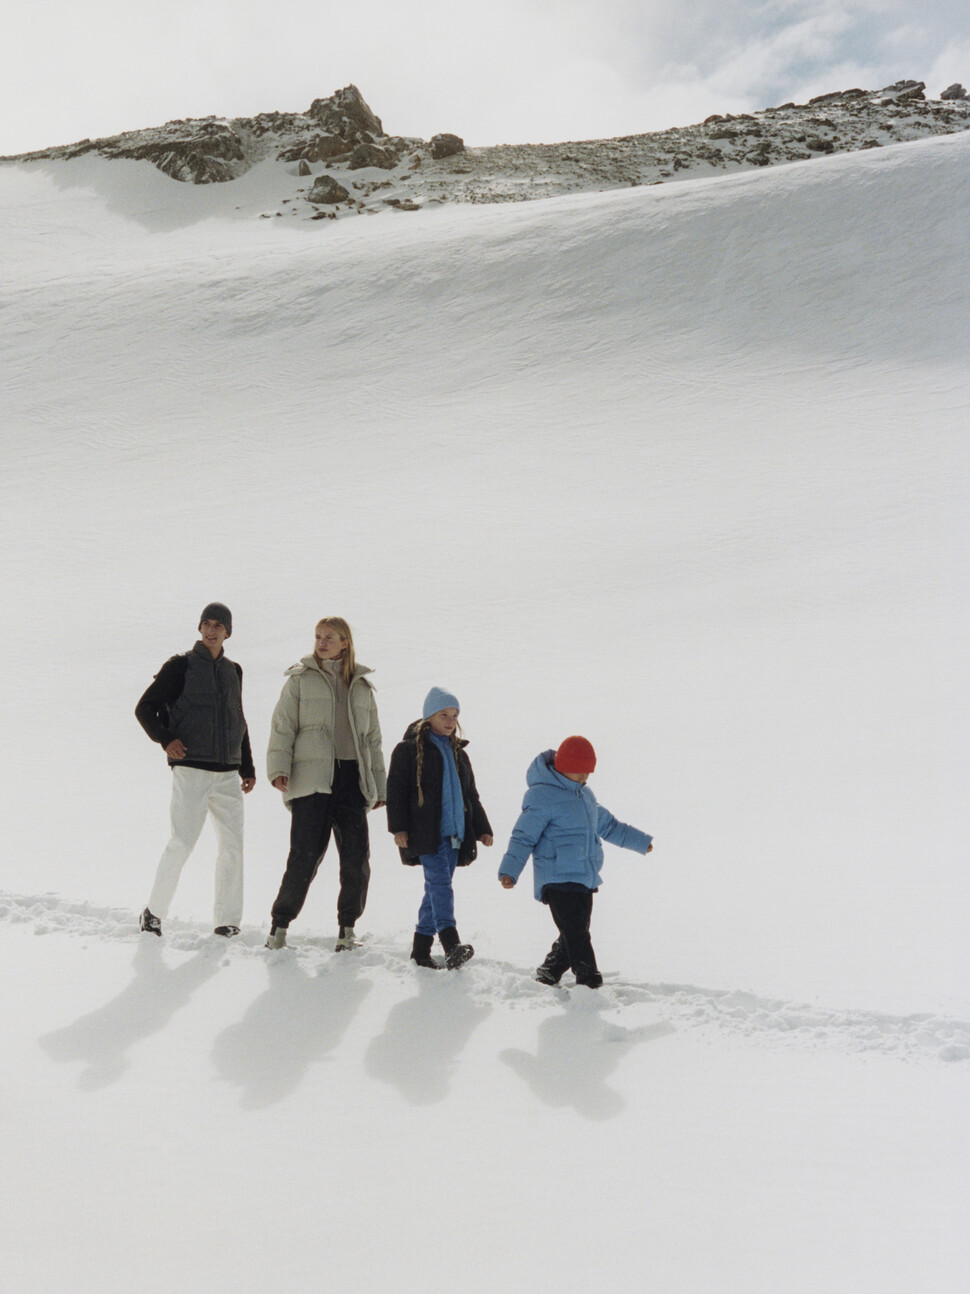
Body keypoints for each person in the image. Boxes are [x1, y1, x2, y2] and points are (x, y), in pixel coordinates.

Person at [265, 617, 386, 951]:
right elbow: (283, 725)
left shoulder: (361, 684)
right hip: (311, 782)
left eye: (329, 637)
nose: (321, 642)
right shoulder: (300, 679)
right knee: (303, 857)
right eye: (318, 637)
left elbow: (372, 740)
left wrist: (379, 785)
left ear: (345, 642)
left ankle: (347, 930)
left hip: (351, 781)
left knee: (356, 859)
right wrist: (278, 767)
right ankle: (279, 928)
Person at [135, 602, 256, 938]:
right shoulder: (181, 666)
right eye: (207, 623)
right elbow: (145, 707)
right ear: (200, 628)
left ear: (228, 632)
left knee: (233, 846)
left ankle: (227, 921)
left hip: (228, 774)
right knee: (183, 842)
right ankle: (153, 913)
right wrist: (166, 739)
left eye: (219, 625)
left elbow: (238, 720)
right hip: (191, 769)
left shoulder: (235, 671)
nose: (211, 630)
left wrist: (246, 766)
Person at [498, 736, 653, 988]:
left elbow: (610, 826)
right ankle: (588, 978)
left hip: (583, 876)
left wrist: (640, 842)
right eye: (579, 771)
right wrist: (509, 872)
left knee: (575, 929)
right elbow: (523, 837)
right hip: (556, 877)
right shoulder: (542, 796)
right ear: (562, 765)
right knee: (576, 931)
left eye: (588, 772)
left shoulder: (586, 796)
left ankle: (549, 971)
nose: (584, 777)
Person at [386, 687, 493, 970]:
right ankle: (450, 944)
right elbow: (395, 792)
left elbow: (470, 795)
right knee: (441, 887)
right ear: (428, 716)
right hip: (425, 834)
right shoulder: (408, 751)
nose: (450, 720)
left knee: (435, 890)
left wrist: (482, 828)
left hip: (454, 833)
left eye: (454, 715)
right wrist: (398, 828)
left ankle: (420, 951)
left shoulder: (458, 753)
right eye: (444, 714)